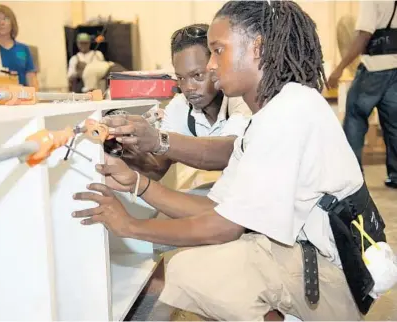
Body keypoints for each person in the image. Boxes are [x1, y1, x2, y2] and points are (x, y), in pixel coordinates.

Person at [72, 1, 375, 320]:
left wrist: (131, 226)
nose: (213, 65)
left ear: (256, 47)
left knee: (195, 271)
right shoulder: (273, 112)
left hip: (335, 280)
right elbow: (218, 209)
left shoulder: (289, 115)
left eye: (218, 51)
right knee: (197, 266)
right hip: (313, 257)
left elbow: (223, 228)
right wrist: (136, 182)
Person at [102, 23, 251, 183]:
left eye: (198, 75)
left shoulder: (240, 97)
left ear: (215, 65)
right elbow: (157, 168)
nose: (188, 88)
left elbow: (228, 153)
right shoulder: (180, 106)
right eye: (180, 78)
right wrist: (124, 149)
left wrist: (159, 140)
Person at [328, 1, 397, 189]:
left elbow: (364, 35)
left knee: (354, 119)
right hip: (394, 68)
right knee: (394, 125)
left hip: (373, 68)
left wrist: (339, 69)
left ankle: (352, 176)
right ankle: (396, 175)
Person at [0, 4, 38, 89]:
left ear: (12, 23)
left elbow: (32, 80)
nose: (1, 23)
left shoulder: (23, 49)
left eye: (5, 19)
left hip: (21, 98)